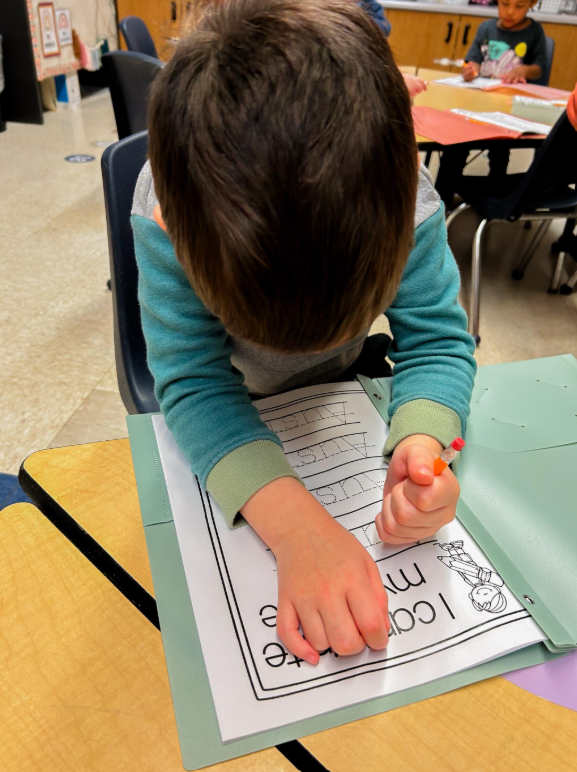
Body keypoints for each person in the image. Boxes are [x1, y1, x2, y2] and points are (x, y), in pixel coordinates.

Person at [133, 0, 476, 664]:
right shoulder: (164, 211)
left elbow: (434, 340)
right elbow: (194, 379)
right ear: (173, 233)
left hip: (344, 402)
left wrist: (425, 434)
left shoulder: (405, 191)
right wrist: (295, 532)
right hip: (233, 403)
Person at [436, 0, 547, 208]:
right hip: (478, 103)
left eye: (519, 6)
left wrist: (524, 71)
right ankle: (443, 199)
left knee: (500, 148)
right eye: (505, 4)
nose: (510, 11)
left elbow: (540, 67)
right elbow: (474, 60)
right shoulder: (485, 28)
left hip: (507, 107)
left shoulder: (534, 31)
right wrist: (470, 71)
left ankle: (495, 195)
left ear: (532, 4)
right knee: (457, 142)